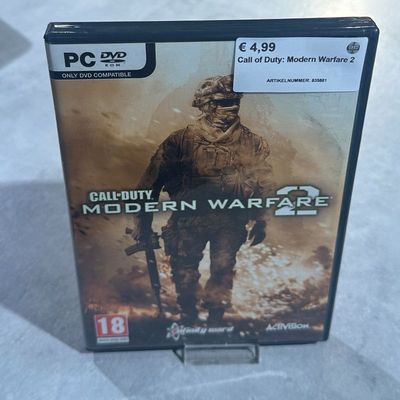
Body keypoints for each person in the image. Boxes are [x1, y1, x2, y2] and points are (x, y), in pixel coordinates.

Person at [133, 74, 274, 325]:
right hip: (188, 219)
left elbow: (264, 183)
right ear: (205, 105)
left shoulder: (251, 142)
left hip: (230, 219)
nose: (231, 108)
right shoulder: (180, 141)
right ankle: (188, 315)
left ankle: (216, 319)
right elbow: (149, 185)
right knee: (184, 270)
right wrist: (142, 226)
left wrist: (261, 220)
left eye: (234, 102)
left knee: (223, 268)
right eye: (222, 102)